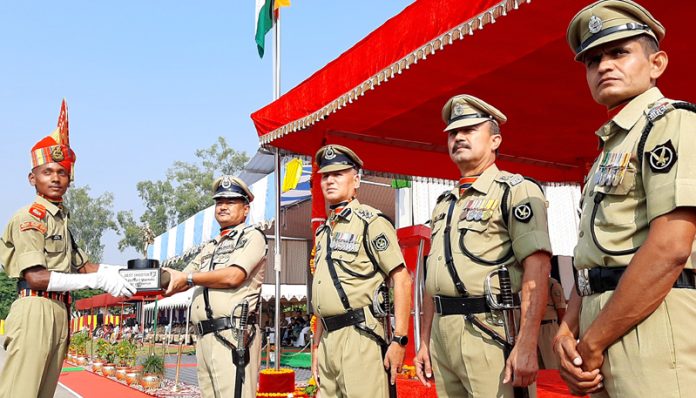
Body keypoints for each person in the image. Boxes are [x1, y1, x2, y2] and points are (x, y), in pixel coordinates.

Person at [556, 1, 696, 396]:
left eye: (619, 52)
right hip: (599, 324)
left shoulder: (671, 123)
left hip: (652, 323)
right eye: (592, 60)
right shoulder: (611, 145)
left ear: (657, 64)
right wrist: (568, 327)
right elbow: (595, 252)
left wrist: (593, 341)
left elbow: (670, 246)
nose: (603, 66)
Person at [414, 95, 553, 398]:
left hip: (490, 330)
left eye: (470, 129)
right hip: (442, 333)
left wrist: (528, 344)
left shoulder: (514, 191)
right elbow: (432, 280)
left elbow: (538, 267)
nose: (459, 137)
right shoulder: (444, 204)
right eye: (453, 133)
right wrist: (424, 340)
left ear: (495, 141)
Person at [0, 100, 135, 398]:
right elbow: (37, 277)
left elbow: (86, 267)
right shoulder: (29, 218)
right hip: (36, 306)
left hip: (60, 309)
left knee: (43, 392)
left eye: (62, 172)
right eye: (48, 171)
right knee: (20, 392)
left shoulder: (61, 222)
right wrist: (98, 281)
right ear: (32, 178)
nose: (56, 178)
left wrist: (134, 276)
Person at [310, 144, 412, 398]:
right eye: (325, 176)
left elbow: (401, 279)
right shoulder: (323, 233)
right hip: (327, 339)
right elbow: (323, 295)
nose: (330, 181)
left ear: (356, 180)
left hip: (359, 336)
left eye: (338, 174)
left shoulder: (371, 222)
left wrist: (400, 340)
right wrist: (315, 347)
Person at [164, 175, 266, 398]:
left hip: (233, 335)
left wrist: (189, 278)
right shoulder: (211, 245)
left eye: (230, 202)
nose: (223, 207)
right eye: (219, 202)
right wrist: (144, 278)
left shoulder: (252, 237)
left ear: (246, 209)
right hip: (205, 336)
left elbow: (233, 276)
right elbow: (178, 278)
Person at [537, 276, 566, 370]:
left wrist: (562, 333)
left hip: (549, 328)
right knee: (538, 367)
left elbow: (561, 311)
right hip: (534, 329)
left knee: (553, 364)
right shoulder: (529, 284)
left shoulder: (553, 284)